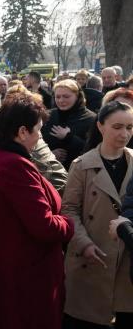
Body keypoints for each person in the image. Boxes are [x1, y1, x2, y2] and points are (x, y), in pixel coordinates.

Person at [0, 93, 74, 329]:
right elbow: (44, 226)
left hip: (13, 265)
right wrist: (70, 223)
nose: (40, 136)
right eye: (37, 130)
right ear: (22, 132)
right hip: (24, 273)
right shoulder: (13, 165)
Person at [62, 101, 133, 329]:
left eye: (130, 127)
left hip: (128, 261)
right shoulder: (82, 165)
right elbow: (69, 209)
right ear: (101, 127)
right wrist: (84, 244)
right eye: (118, 127)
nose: (125, 134)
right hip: (92, 258)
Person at [41, 79, 96, 170]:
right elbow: (35, 144)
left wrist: (69, 138)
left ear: (77, 96)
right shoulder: (47, 116)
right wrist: (49, 154)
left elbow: (93, 149)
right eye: (57, 97)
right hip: (50, 172)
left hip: (80, 171)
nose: (61, 100)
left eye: (66, 97)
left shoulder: (91, 118)